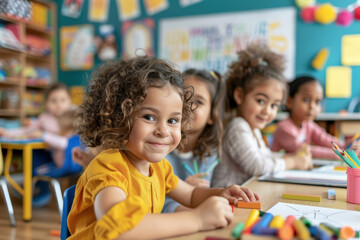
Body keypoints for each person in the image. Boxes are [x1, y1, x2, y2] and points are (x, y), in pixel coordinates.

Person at [67, 56, 260, 240]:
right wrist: (197, 219)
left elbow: (192, 195)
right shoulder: (108, 167)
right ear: (119, 117)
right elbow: (118, 229)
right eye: (149, 117)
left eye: (173, 120)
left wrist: (220, 193)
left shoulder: (159, 167)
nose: (163, 130)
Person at [211, 43, 313, 188]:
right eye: (260, 101)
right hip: (226, 202)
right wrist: (292, 162)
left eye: (274, 105)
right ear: (240, 95)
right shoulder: (238, 127)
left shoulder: (252, 129)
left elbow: (264, 156)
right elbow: (257, 166)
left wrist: (292, 157)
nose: (267, 111)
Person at [162, 68, 225, 213]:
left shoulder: (209, 152)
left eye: (198, 101)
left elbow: (200, 197)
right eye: (182, 97)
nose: (187, 105)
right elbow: (156, 202)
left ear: (211, 116)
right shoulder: (158, 146)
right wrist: (183, 188)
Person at [271, 76, 360, 159]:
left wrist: (348, 146)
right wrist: (341, 154)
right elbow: (306, 151)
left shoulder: (308, 125)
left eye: (317, 102)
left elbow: (327, 140)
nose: (312, 106)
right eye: (306, 100)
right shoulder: (284, 128)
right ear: (289, 101)